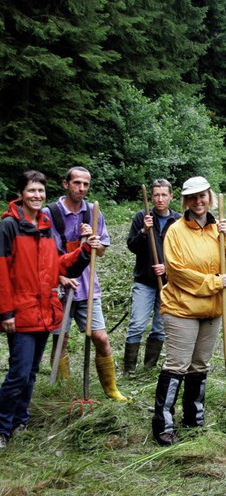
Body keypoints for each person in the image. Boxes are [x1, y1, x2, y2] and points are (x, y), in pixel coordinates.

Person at [0, 171, 97, 449]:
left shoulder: (44, 223)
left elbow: (57, 264)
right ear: (20, 194)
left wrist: (82, 251)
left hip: (44, 311)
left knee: (30, 372)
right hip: (20, 312)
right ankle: (2, 427)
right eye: (31, 191)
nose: (37, 196)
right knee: (18, 372)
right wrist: (5, 312)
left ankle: (21, 420)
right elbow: (2, 273)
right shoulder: (9, 226)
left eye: (41, 191)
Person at [152, 176, 226, 446]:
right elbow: (177, 272)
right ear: (185, 201)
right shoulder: (176, 231)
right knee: (177, 366)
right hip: (182, 308)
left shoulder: (220, 228)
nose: (198, 201)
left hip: (213, 308)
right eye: (192, 197)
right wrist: (214, 282)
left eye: (202, 195)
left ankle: (194, 419)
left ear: (210, 197)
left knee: (199, 365)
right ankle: (164, 425)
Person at [44, 166, 128, 401]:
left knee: (101, 337)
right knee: (61, 338)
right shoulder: (49, 213)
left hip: (87, 286)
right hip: (58, 287)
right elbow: (43, 255)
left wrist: (94, 240)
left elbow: (101, 251)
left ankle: (111, 390)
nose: (81, 188)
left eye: (86, 184)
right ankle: (62, 389)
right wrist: (58, 276)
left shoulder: (93, 212)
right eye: (77, 183)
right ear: (65, 184)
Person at [124, 179, 181, 375]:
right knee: (137, 324)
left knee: (159, 327)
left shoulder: (178, 221)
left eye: (164, 195)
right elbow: (131, 246)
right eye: (156, 195)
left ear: (171, 196)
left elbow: (184, 253)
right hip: (144, 281)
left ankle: (148, 368)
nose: (159, 199)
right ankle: (129, 370)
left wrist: (167, 267)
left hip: (168, 283)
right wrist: (143, 232)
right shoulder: (143, 217)